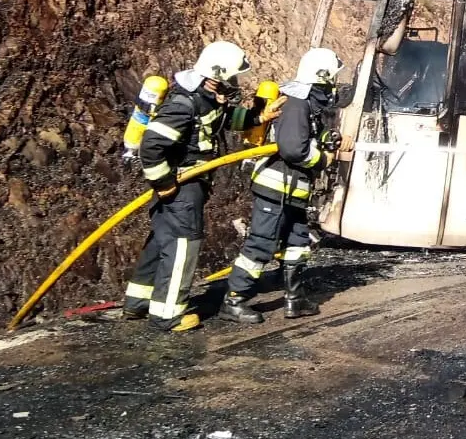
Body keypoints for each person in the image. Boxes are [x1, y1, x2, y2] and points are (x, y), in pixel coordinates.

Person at [122, 41, 286, 332]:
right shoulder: (182, 105)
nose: (234, 83)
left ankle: (138, 301)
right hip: (182, 184)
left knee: (161, 240)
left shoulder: (206, 99)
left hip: (186, 183)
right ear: (216, 75)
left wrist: (258, 117)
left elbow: (222, 120)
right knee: (183, 244)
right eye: (231, 77)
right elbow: (151, 146)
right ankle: (168, 314)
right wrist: (163, 183)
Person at [219, 47, 346, 324]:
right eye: (332, 78)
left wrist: (326, 138)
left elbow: (306, 136)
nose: (334, 84)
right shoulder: (297, 104)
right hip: (276, 188)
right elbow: (292, 149)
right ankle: (234, 300)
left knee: (297, 243)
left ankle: (295, 299)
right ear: (322, 77)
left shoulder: (308, 105)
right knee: (261, 245)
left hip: (293, 190)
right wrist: (323, 158)